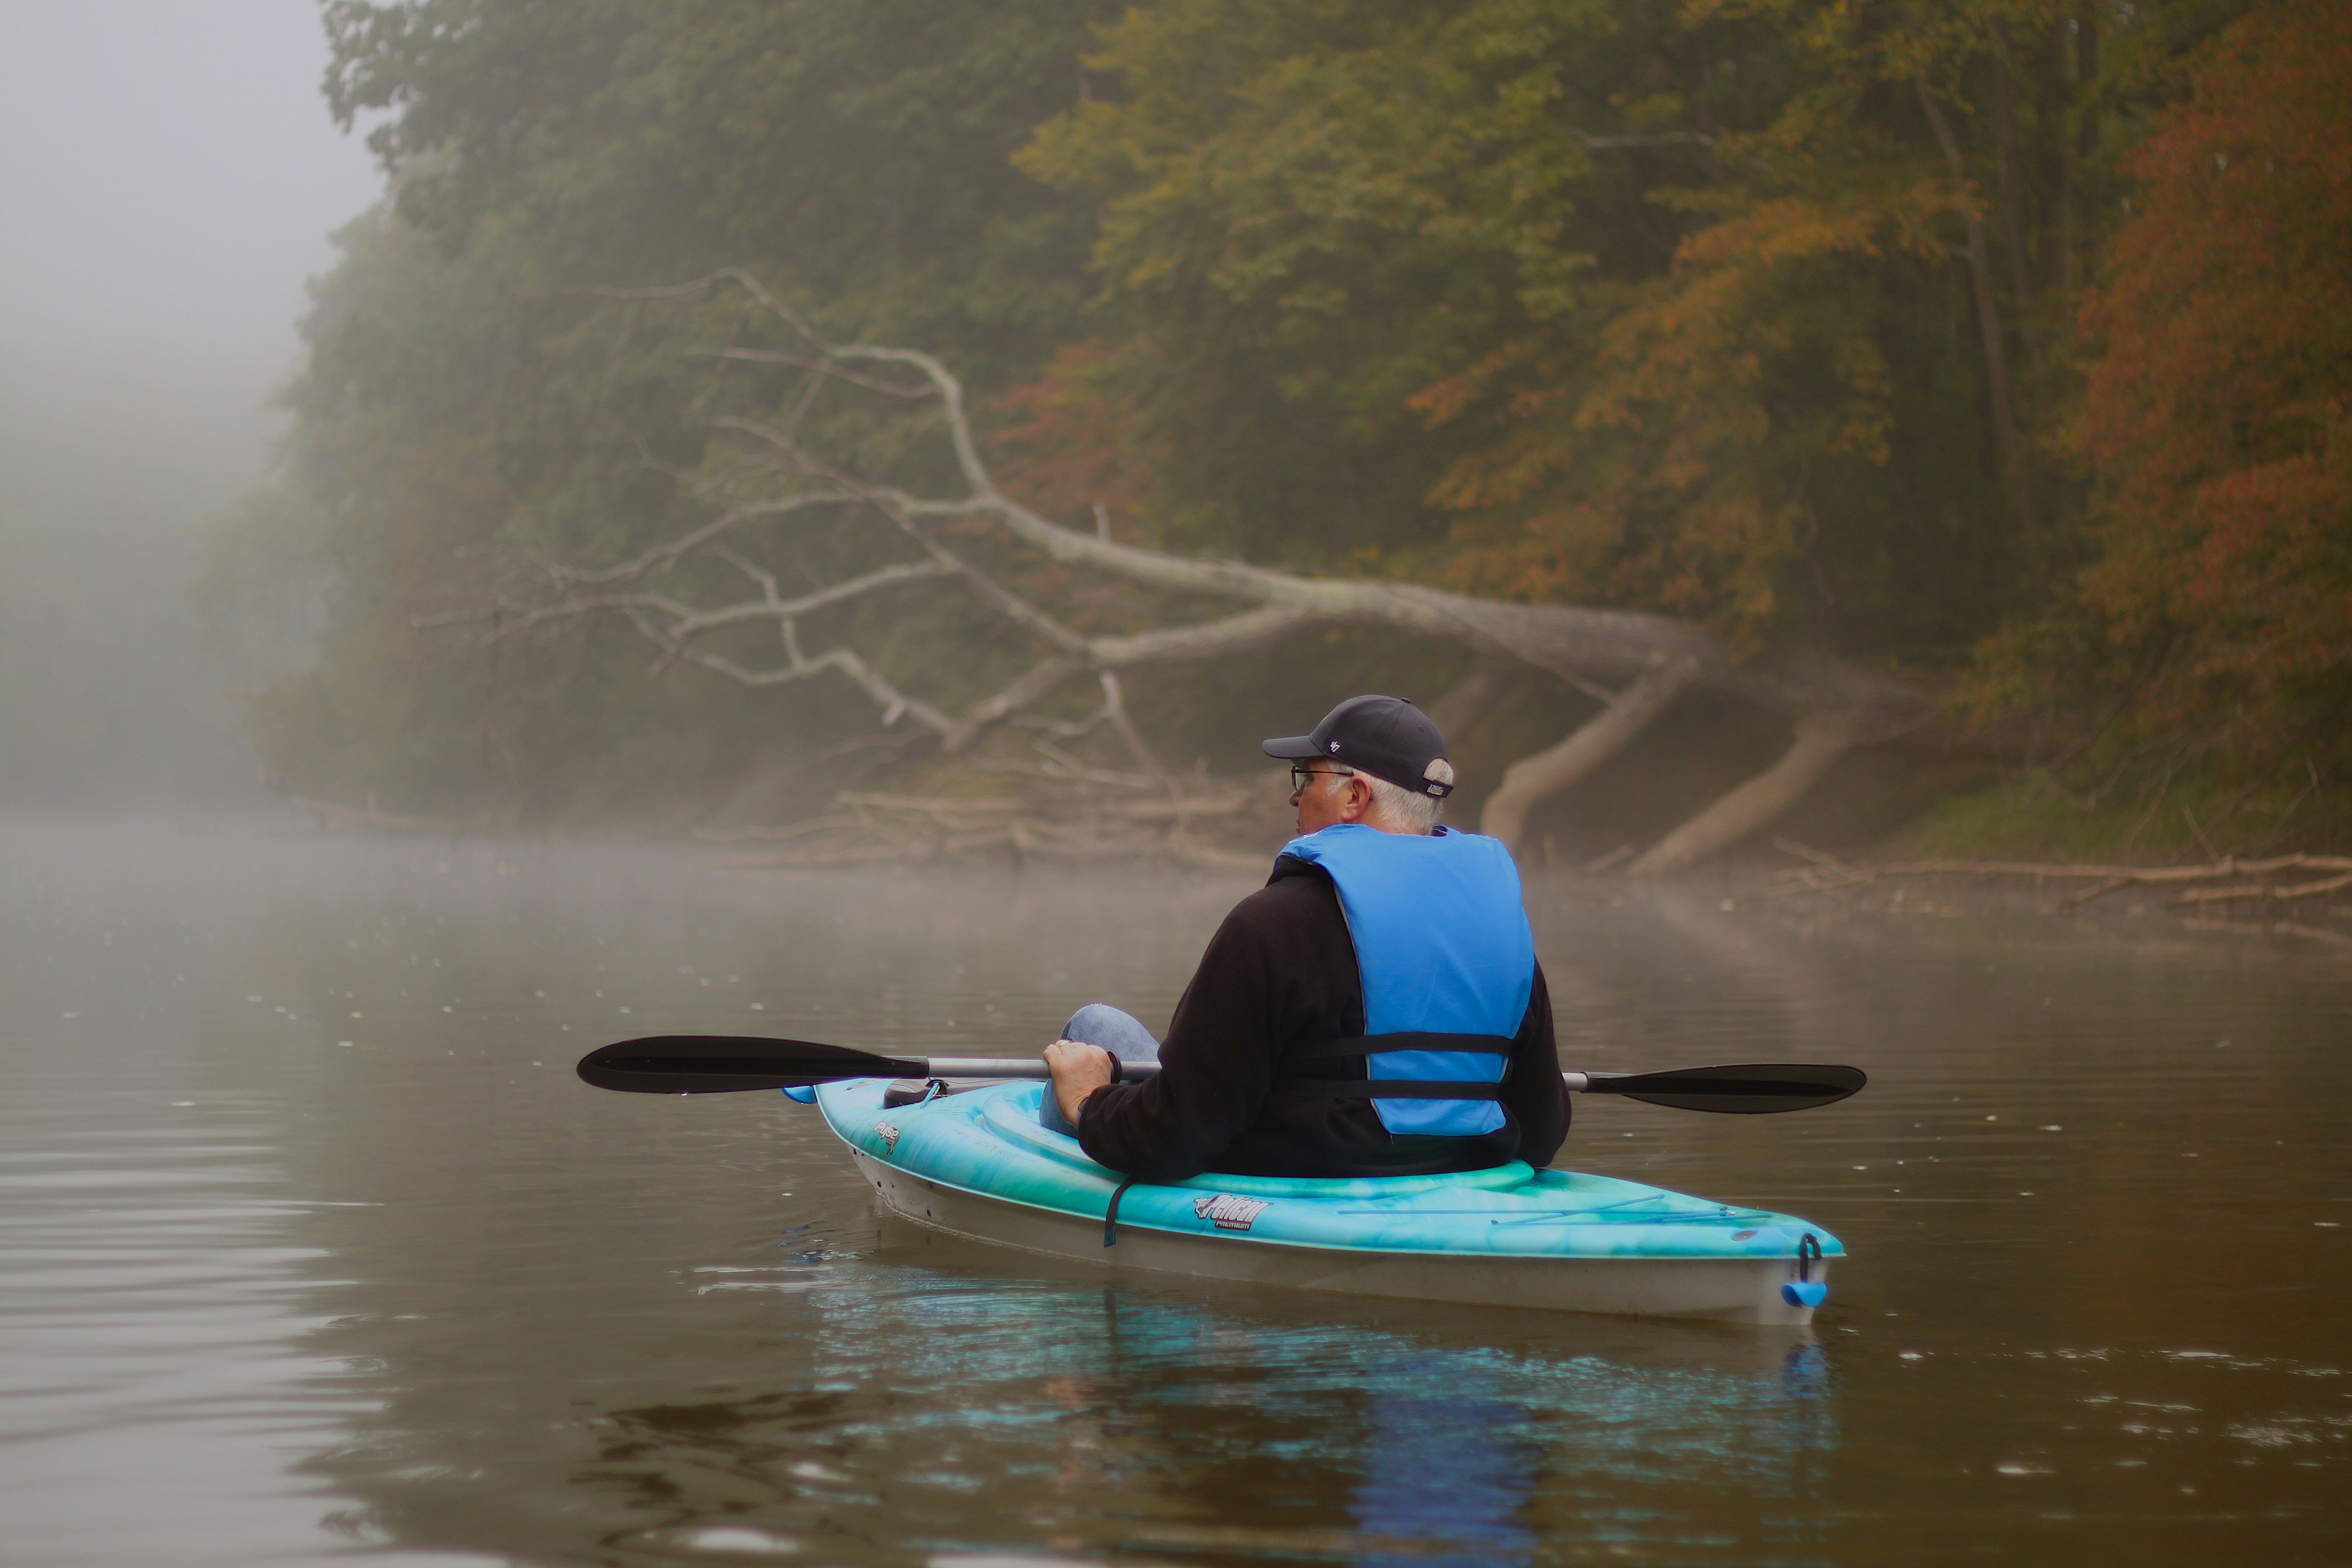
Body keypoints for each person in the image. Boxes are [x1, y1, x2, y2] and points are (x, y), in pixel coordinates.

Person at [1041, 694, 1569, 1183]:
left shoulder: (1272, 924)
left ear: (1354, 796)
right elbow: (1544, 1131)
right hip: (1453, 1168)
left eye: (1307, 777)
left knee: (1097, 1027)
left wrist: (1090, 1102)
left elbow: (1178, 1137)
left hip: (1298, 1174)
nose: (1295, 796)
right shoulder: (1499, 932)